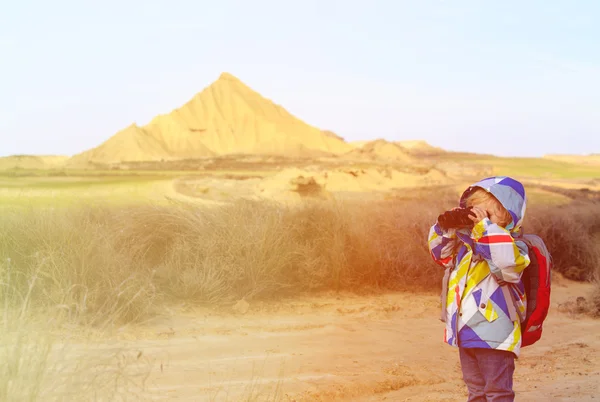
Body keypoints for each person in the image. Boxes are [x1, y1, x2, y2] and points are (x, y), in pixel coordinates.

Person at [427, 176, 530, 402]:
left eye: (490, 216)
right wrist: (447, 227)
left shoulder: (516, 248)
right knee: (476, 393)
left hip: (495, 334)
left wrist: (485, 227)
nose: (480, 222)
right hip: (466, 331)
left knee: (497, 393)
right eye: (476, 215)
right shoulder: (467, 248)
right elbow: (440, 255)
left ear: (510, 218)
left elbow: (504, 262)